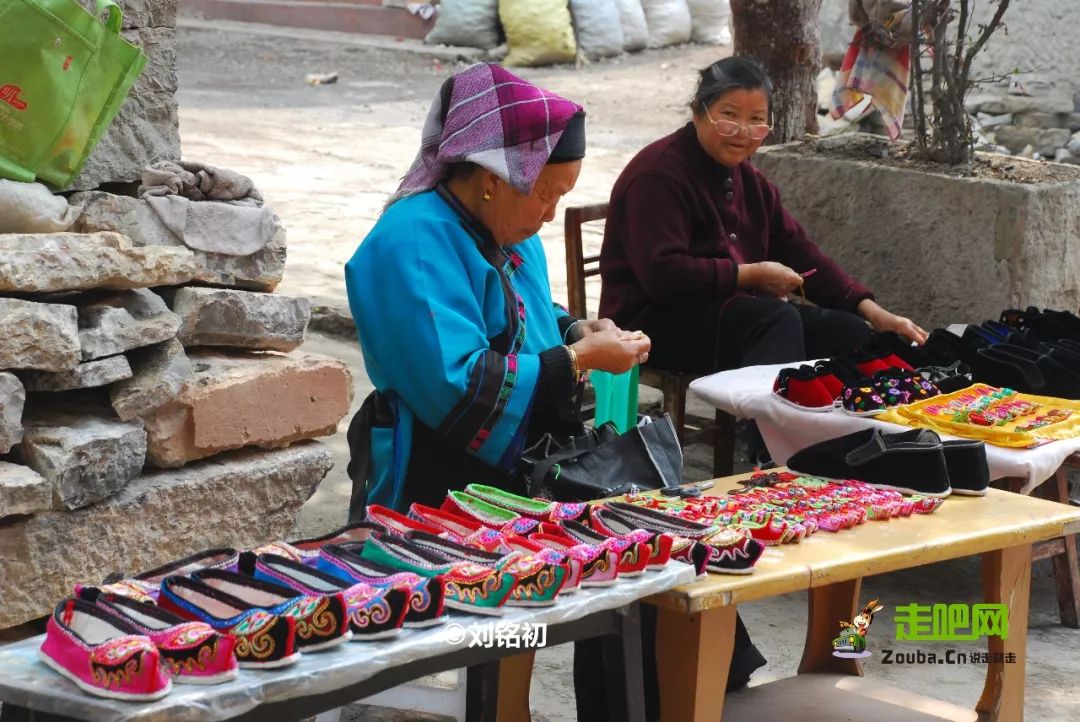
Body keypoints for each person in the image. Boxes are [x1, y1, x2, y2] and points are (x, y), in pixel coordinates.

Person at [344, 62, 650, 515]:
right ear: (494, 180)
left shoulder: (511, 232)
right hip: (438, 477)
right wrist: (580, 360)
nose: (549, 214)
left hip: (519, 465)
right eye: (546, 194)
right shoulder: (412, 242)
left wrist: (573, 330)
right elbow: (455, 383)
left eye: (560, 198)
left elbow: (523, 312)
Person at [598, 56, 927, 380]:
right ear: (699, 113)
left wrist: (870, 310)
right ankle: (768, 431)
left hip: (730, 312)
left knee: (845, 330)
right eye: (728, 116)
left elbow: (798, 250)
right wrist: (749, 276)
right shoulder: (657, 174)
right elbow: (663, 275)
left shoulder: (749, 179)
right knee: (774, 321)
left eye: (756, 119)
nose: (742, 132)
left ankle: (838, 430)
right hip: (652, 326)